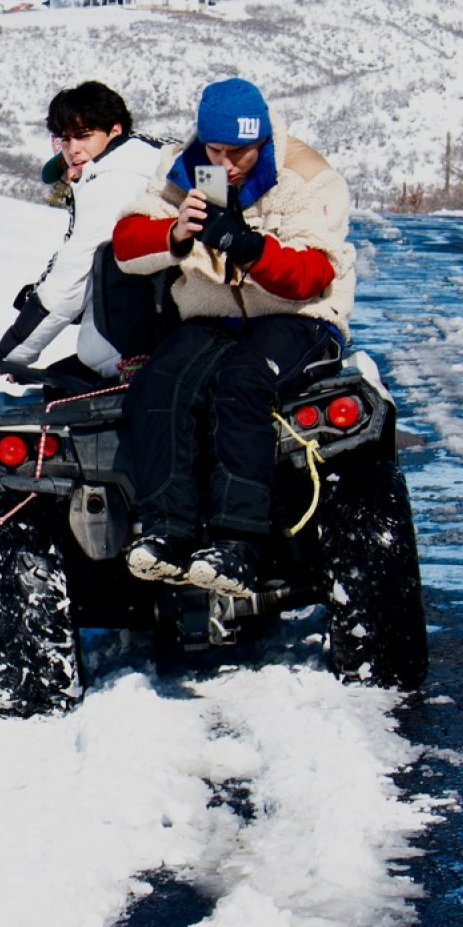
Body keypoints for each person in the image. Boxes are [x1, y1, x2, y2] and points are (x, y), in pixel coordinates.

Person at [111, 76, 354, 598]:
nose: (224, 164)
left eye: (238, 153)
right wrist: (174, 232)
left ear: (262, 142)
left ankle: (237, 541)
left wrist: (248, 247)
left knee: (243, 384)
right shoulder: (181, 167)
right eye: (214, 151)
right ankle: (166, 533)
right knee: (159, 385)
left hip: (299, 316)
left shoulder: (306, 176)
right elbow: (125, 244)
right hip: (212, 315)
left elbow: (314, 273)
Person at [0, 83, 169, 381]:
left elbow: (69, 282)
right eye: (66, 139)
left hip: (144, 351)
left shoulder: (114, 180)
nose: (73, 150)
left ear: (114, 131)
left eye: (84, 136)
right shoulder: (143, 159)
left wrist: (10, 354)